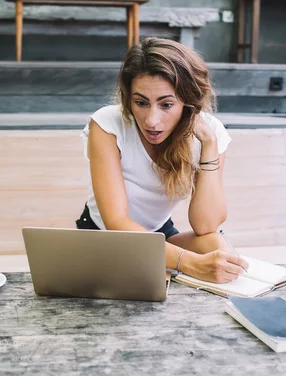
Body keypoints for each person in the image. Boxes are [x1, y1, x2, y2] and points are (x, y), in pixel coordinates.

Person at [75, 37, 249, 284]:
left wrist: (209, 144)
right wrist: (190, 263)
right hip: (106, 237)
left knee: (215, 245)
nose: (151, 121)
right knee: (191, 269)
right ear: (128, 99)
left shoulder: (209, 132)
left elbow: (206, 224)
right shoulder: (108, 124)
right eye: (141, 103)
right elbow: (116, 222)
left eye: (166, 104)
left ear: (188, 103)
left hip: (158, 236)